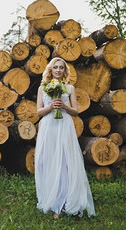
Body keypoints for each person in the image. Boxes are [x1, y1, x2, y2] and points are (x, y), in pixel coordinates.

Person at [35, 57, 95, 219]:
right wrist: (51, 106)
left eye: (61, 68)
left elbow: (75, 111)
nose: (58, 70)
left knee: (64, 162)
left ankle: (62, 202)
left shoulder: (69, 88)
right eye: (55, 67)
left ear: (64, 71)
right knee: (47, 160)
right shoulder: (43, 88)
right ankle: (51, 197)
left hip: (64, 126)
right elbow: (38, 112)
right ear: (50, 70)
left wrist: (64, 106)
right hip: (48, 126)